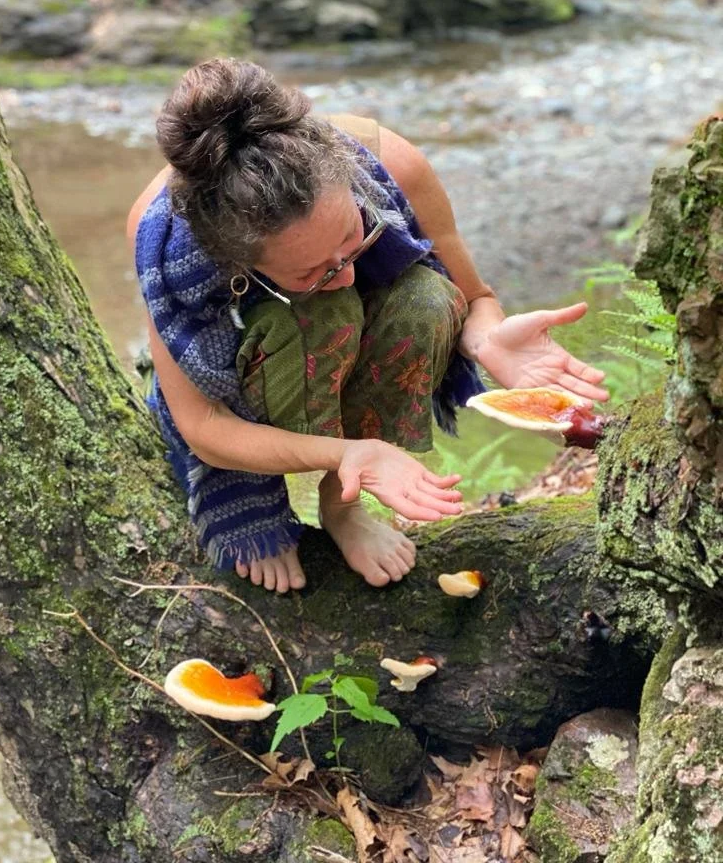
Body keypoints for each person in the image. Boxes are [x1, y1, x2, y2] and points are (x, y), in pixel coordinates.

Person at [127, 58, 608, 594]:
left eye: (355, 240)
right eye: (314, 271)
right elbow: (205, 425)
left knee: (424, 296)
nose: (349, 273)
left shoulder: (385, 160)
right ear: (238, 265)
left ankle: (342, 509)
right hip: (252, 358)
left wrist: (487, 336)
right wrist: (346, 452)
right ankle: (251, 496)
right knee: (329, 313)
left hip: (340, 334)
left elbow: (475, 297)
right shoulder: (170, 245)